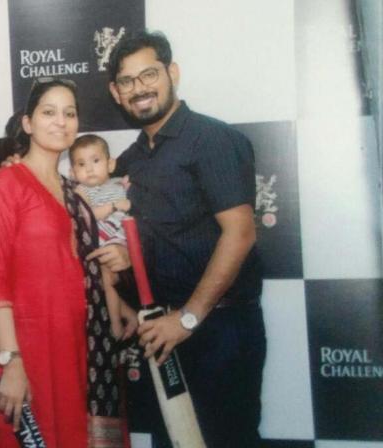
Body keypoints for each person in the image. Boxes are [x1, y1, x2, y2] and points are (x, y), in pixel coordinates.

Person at [105, 30, 265, 447]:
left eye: (149, 74)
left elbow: (241, 233)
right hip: (162, 334)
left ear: (171, 73)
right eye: (127, 81)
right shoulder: (129, 160)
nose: (139, 88)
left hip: (219, 330)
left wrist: (189, 318)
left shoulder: (212, 139)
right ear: (116, 92)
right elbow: (106, 223)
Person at [0, 78, 88, 448]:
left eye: (69, 113)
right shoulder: (4, 186)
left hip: (71, 346)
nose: (61, 121)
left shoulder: (72, 189)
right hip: (28, 348)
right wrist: (12, 361)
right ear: (28, 123)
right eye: (49, 112)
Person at [68, 134, 133, 447]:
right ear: (72, 171)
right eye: (81, 164)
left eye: (96, 162)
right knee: (106, 277)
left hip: (122, 244)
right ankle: (116, 322)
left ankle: (125, 313)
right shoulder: (79, 193)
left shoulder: (119, 182)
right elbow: (89, 218)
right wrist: (113, 206)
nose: (89, 170)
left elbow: (131, 205)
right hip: (98, 243)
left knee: (117, 277)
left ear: (110, 163)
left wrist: (124, 199)